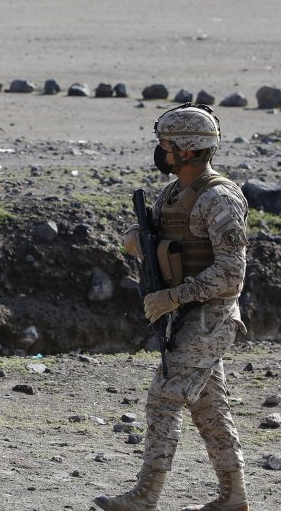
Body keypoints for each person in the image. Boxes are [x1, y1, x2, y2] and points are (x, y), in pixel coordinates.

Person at [96, 103, 250, 511]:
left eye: (165, 144)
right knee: (208, 406)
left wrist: (173, 297)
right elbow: (165, 238)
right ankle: (233, 498)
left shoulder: (219, 198)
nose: (159, 151)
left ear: (186, 149)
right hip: (185, 314)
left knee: (164, 396)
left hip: (209, 317)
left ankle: (145, 497)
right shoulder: (174, 193)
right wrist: (137, 238)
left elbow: (231, 274)